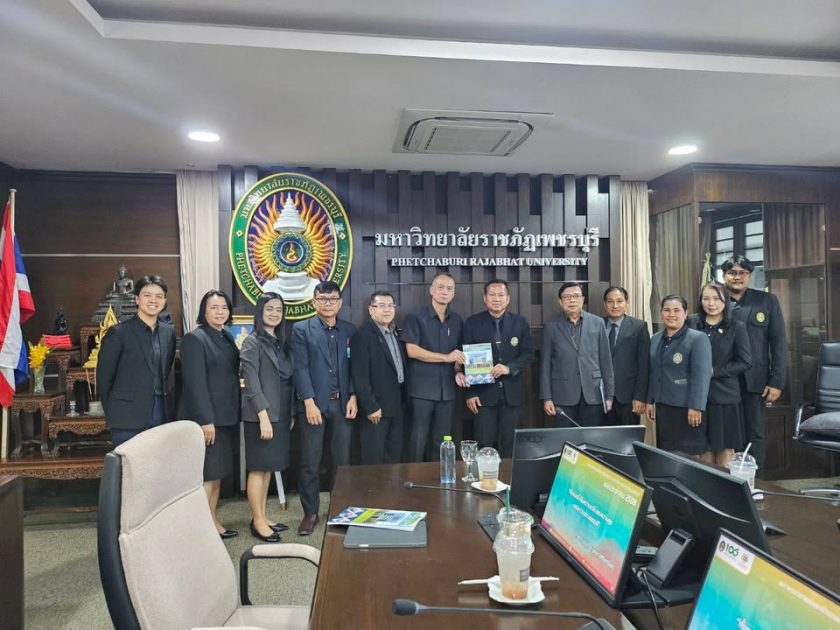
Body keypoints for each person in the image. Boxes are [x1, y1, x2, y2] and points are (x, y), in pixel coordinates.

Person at [292, 281, 356, 536]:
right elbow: (300, 368)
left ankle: (341, 510)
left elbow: (354, 367)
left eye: (332, 299)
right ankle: (310, 513)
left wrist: (353, 396)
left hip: (342, 404)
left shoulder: (349, 329)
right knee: (310, 461)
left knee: (342, 461)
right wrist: (308, 401)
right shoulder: (301, 329)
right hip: (314, 405)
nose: (328, 303)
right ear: (314, 302)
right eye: (323, 299)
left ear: (340, 303)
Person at [177, 290, 241, 539]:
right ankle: (198, 531)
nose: (220, 312)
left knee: (216, 475)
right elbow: (196, 384)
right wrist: (205, 420)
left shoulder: (225, 335)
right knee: (208, 476)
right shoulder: (195, 339)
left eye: (224, 307)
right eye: (214, 307)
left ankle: (210, 521)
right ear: (204, 311)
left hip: (225, 416)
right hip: (208, 420)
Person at [721, 255, 787, 469]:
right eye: (732, 273)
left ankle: (753, 480)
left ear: (749, 276)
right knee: (726, 432)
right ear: (724, 275)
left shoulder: (767, 301)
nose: (737, 277)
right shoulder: (715, 301)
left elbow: (778, 343)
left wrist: (776, 381)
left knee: (754, 432)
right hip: (723, 379)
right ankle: (727, 478)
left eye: (743, 273)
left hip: (755, 379)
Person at [240, 292, 294, 542]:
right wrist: (263, 416)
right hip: (261, 415)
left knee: (269, 467)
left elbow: (286, 381)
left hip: (280, 414)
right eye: (269, 309)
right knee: (258, 468)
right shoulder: (252, 342)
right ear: (260, 311)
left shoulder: (280, 342)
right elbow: (251, 384)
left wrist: (288, 414)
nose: (274, 313)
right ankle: (257, 521)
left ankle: (261, 515)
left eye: (279, 310)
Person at [98, 275, 176, 447]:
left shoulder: (168, 332)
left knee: (158, 462)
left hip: (161, 411)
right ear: (137, 299)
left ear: (164, 301)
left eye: (159, 296)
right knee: (130, 463)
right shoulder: (118, 333)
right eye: (147, 295)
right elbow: (104, 379)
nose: (153, 300)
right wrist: (113, 414)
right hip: (127, 416)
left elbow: (166, 371)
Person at [461, 279, 534, 458]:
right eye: (492, 295)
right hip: (483, 396)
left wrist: (509, 368)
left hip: (512, 395)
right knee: (483, 443)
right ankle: (482, 476)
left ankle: (507, 476)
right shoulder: (472, 323)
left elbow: (528, 354)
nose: (496, 299)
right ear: (484, 298)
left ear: (508, 299)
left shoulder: (520, 322)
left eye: (501, 295)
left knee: (510, 444)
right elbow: (465, 360)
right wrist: (470, 393)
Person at [402, 272, 465, 461]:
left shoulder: (457, 320)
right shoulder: (415, 317)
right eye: (440, 287)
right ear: (431, 290)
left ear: (453, 293)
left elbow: (458, 355)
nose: (445, 292)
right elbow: (412, 351)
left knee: (442, 441)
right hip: (422, 390)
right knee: (417, 440)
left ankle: (439, 477)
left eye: (449, 289)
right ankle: (413, 477)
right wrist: (445, 358)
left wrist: (458, 371)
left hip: (447, 391)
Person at [688, 282, 752, 466]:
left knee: (725, 450)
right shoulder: (692, 323)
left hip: (725, 398)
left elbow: (745, 362)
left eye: (717, 299)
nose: (711, 303)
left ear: (726, 301)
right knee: (702, 450)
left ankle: (724, 484)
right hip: (698, 399)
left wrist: (714, 371)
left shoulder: (736, 327)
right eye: (706, 298)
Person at [646, 295, 713, 461]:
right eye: (667, 310)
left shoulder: (697, 338)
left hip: (687, 409)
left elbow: (702, 375)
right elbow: (653, 372)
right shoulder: (655, 338)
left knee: (690, 457)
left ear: (685, 313)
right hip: (663, 407)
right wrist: (650, 400)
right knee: (667, 456)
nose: (671, 314)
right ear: (661, 313)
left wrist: (696, 406)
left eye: (676, 310)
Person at [540, 282, 614, 426]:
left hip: (593, 393)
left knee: (592, 436)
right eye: (567, 297)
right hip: (563, 394)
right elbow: (545, 365)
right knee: (566, 436)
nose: (572, 300)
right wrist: (547, 398)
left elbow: (606, 361)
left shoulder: (597, 323)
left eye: (576, 296)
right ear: (560, 301)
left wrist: (609, 395)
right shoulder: (551, 326)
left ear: (583, 299)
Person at [350, 291, 406, 465]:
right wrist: (370, 406)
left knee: (393, 458)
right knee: (373, 461)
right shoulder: (362, 335)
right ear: (371, 310)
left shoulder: (395, 332)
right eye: (381, 305)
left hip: (396, 406)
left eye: (390, 305)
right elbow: (359, 374)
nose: (387, 310)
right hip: (376, 409)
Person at [603, 286, 650, 426]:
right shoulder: (597, 324)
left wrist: (640, 396)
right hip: (601, 396)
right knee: (601, 437)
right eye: (610, 301)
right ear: (605, 304)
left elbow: (644, 365)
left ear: (627, 303)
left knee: (628, 437)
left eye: (619, 301)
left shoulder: (639, 327)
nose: (615, 305)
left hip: (628, 398)